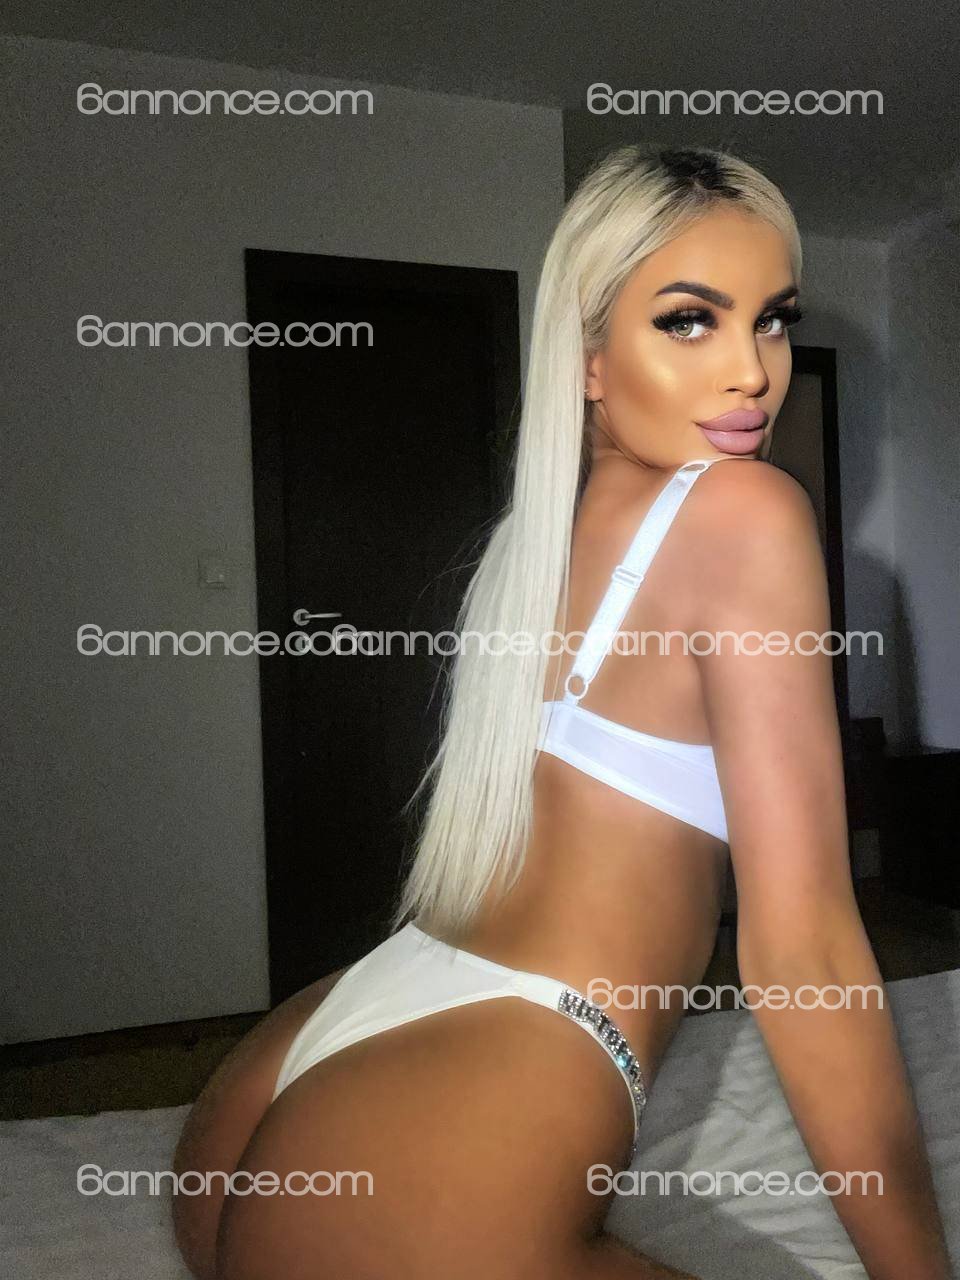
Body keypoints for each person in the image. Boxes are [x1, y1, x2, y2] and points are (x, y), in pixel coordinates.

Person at [172, 145, 953, 1280]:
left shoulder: (531, 541)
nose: (752, 371)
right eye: (689, 321)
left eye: (773, 320)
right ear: (588, 356)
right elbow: (806, 952)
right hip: (476, 1096)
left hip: (317, 1051)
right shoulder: (746, 513)